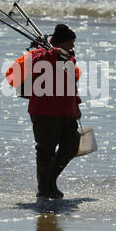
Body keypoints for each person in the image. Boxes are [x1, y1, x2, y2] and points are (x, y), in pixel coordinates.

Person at [28, 24, 82, 199]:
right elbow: (36, 63)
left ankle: (48, 182)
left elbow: (71, 85)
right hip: (44, 112)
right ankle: (45, 188)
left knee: (72, 144)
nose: (73, 47)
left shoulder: (70, 58)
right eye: (70, 43)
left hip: (66, 111)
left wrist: (77, 105)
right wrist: (54, 53)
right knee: (46, 150)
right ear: (61, 43)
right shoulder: (40, 54)